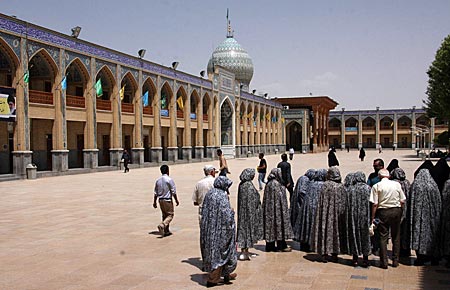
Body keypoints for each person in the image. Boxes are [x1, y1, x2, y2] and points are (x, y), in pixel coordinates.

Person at [200, 176, 237, 287]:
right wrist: (232, 213)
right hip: (220, 231)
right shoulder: (221, 196)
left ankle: (226, 274)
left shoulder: (210, 194)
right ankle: (213, 279)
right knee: (221, 252)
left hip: (210, 229)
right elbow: (226, 216)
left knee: (214, 252)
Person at [370, 169, 406, 269]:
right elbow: (402, 200)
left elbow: (375, 204)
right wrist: (401, 212)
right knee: (396, 236)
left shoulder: (376, 186)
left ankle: (384, 262)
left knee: (383, 236)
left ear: (379, 177)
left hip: (383, 212)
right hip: (396, 210)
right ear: (389, 176)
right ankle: (395, 260)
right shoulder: (396, 185)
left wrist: (373, 217)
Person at [311, 167, 345, 263]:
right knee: (335, 233)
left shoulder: (325, 185)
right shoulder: (340, 186)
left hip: (325, 214)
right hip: (336, 214)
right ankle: (335, 254)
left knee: (325, 232)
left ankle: (324, 254)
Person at [409, 168, 442, 266]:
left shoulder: (416, 186)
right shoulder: (433, 185)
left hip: (418, 217)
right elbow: (438, 202)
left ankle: (420, 258)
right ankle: (434, 258)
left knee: (419, 237)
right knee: (432, 237)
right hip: (432, 218)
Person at [263, 168, 293, 252]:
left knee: (270, 228)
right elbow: (280, 199)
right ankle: (281, 246)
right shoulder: (276, 185)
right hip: (277, 211)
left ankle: (270, 246)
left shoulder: (268, 184)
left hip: (269, 211)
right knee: (279, 227)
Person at [237, 168, 263, 261]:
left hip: (243, 213)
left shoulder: (242, 185)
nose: (254, 176)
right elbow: (254, 199)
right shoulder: (248, 186)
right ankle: (244, 252)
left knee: (244, 230)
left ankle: (245, 251)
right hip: (249, 214)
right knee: (247, 231)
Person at [346, 172, 371, 267]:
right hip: (365, 216)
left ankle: (355, 259)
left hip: (354, 216)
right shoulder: (368, 188)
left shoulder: (351, 189)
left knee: (355, 236)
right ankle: (365, 259)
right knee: (365, 237)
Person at [291, 169, 315, 250]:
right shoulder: (305, 179)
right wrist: (305, 203)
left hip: (297, 203)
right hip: (300, 205)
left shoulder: (302, 178)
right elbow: (302, 192)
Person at [153, 165, 179, 237]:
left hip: (160, 200)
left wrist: (154, 202)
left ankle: (166, 231)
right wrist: (176, 200)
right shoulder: (169, 180)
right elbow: (173, 191)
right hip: (167, 200)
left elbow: (155, 192)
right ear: (168, 171)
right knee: (170, 215)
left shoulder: (158, 180)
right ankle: (163, 225)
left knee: (164, 215)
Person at [390, 168, 412, 257]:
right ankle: (406, 250)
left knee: (396, 232)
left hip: (396, 209)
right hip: (406, 210)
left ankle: (397, 251)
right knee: (405, 231)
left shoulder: (394, 183)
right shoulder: (407, 183)